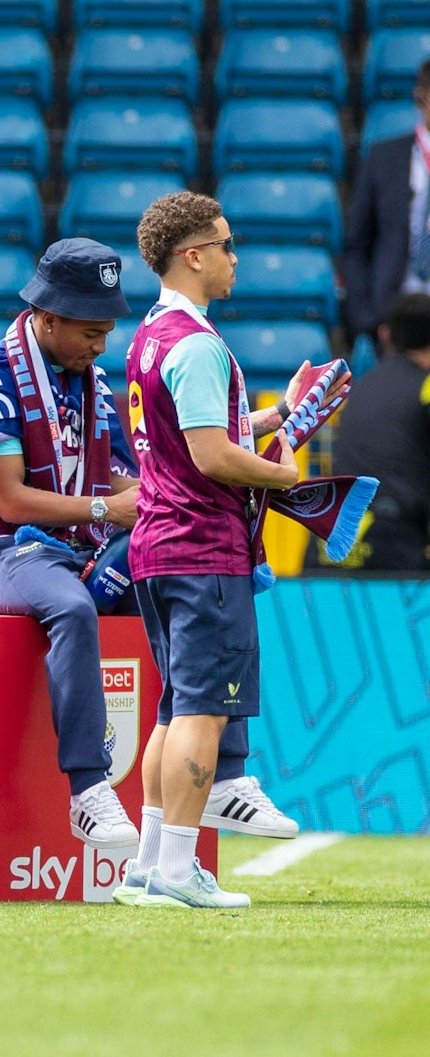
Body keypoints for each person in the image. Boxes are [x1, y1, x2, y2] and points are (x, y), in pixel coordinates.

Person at [122, 191, 309, 908]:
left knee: (175, 711)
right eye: (226, 245)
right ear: (192, 255)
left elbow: (195, 430)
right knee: (203, 710)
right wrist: (282, 472)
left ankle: (146, 865)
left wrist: (280, 413)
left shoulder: (152, 335)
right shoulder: (198, 343)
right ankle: (176, 869)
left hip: (159, 545)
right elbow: (211, 455)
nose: (236, 257)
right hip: (203, 548)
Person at [0, 238, 144, 850]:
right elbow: (11, 502)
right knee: (73, 608)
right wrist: (111, 508)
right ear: (48, 318)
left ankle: (202, 785)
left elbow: (123, 478)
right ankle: (89, 791)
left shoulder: (95, 384)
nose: (101, 346)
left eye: (107, 331)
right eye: (89, 331)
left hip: (75, 548)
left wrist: (168, 498)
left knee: (178, 578)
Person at [333, 292, 430, 570]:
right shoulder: (425, 386)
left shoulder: (362, 386)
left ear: (385, 335)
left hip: (331, 541)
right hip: (393, 548)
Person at [344, 57, 430, 347]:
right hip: (394, 315)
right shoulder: (383, 159)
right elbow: (356, 243)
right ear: (421, 98)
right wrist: (368, 318)